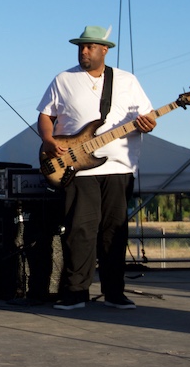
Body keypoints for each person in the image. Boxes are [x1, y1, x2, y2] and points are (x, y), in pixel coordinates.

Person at [37, 25, 156, 310]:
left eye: (90, 46)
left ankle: (115, 292)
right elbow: (45, 115)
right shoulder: (63, 79)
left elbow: (148, 116)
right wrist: (49, 140)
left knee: (114, 232)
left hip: (119, 167)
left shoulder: (127, 80)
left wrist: (149, 123)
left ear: (105, 49)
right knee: (80, 230)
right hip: (78, 169)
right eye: (81, 46)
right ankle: (76, 293)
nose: (84, 51)